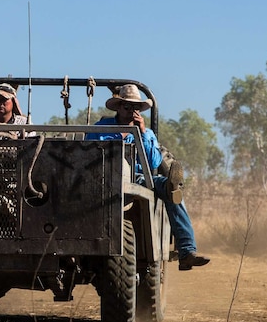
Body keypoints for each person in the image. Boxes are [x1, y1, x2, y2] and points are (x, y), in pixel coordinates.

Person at [86, 84, 210, 271]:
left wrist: (141, 132)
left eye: (136, 108)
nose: (131, 111)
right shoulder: (102, 128)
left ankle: (186, 250)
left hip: (138, 179)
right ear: (118, 108)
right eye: (127, 107)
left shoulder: (147, 134)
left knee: (171, 190)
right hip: (103, 178)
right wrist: (119, 137)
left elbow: (153, 163)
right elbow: (89, 152)